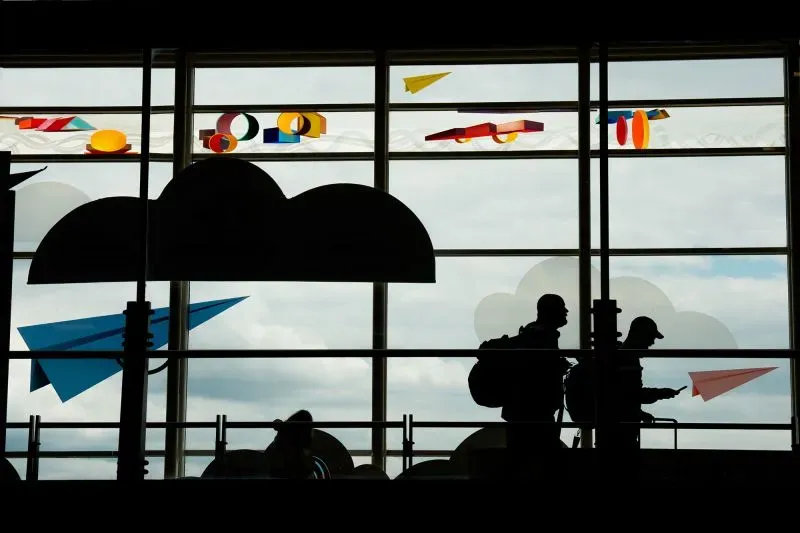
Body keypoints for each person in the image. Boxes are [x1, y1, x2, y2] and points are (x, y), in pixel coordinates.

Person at [499, 294, 572, 473]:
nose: (566, 311)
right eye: (562, 307)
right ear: (552, 311)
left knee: (523, 465)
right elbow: (536, 374)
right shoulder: (543, 337)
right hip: (535, 413)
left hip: (522, 413)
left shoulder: (532, 335)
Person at [614, 316, 682, 448]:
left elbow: (622, 396)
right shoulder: (628, 360)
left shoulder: (623, 357)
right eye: (651, 338)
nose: (652, 343)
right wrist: (660, 394)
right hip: (621, 431)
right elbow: (631, 395)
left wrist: (639, 413)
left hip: (618, 427)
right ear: (641, 336)